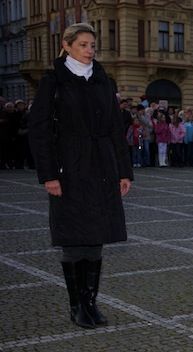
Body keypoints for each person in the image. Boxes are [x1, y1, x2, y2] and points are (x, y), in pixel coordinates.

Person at [27, 22, 133, 329]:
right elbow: (40, 130)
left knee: (96, 238)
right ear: (67, 45)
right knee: (74, 240)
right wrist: (48, 175)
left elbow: (116, 129)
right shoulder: (53, 81)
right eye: (83, 45)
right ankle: (77, 307)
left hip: (102, 167)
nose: (89, 50)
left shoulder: (103, 80)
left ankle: (91, 303)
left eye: (92, 45)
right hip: (69, 168)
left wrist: (124, 171)